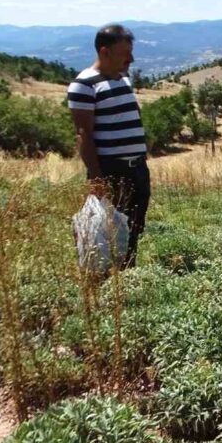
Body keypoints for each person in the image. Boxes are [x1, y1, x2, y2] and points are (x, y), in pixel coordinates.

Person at [67, 24, 149, 268]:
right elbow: (84, 135)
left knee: (134, 227)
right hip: (113, 171)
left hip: (137, 169)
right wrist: (97, 179)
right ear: (105, 52)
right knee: (108, 230)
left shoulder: (122, 79)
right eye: (125, 53)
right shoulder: (83, 85)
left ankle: (128, 275)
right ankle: (107, 282)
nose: (131, 59)